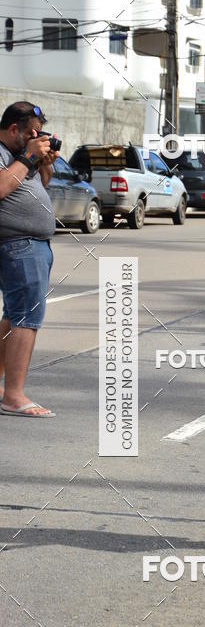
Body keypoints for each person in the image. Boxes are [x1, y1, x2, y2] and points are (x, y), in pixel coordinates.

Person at [0, 102, 58, 417]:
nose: (36, 137)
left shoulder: (24, 155)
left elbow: (41, 185)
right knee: (26, 318)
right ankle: (14, 396)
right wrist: (28, 156)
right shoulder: (5, 152)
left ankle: (4, 388)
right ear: (12, 129)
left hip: (32, 245)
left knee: (14, 317)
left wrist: (44, 162)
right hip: (17, 244)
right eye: (31, 133)